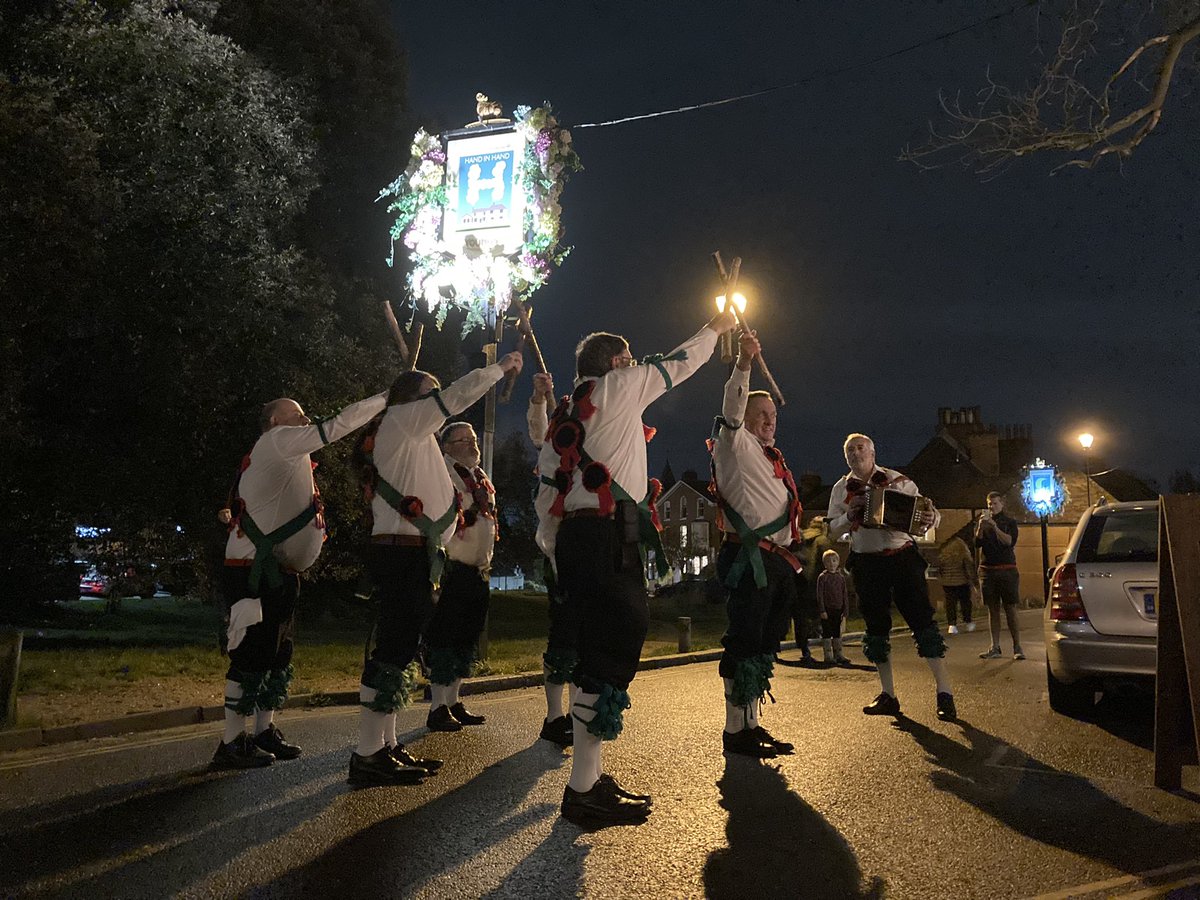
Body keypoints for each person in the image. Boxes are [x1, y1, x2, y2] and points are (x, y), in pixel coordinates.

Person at [545, 309, 736, 825]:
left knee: (594, 648)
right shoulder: (619, 385)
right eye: (628, 358)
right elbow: (679, 363)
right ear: (614, 362)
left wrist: (550, 543)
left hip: (578, 538)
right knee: (617, 641)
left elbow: (547, 486)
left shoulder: (565, 414)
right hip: (609, 535)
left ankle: (587, 776)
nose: (634, 363)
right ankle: (582, 791)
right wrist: (716, 328)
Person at [348, 353, 523, 786]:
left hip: (416, 553)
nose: (439, 399)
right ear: (411, 399)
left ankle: (385, 746)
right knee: (393, 648)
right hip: (400, 550)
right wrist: (497, 370)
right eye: (431, 392)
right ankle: (368, 753)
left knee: (402, 647)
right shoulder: (403, 419)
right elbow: (458, 396)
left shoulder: (413, 434)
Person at [213, 390, 388, 769]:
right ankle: (230, 741)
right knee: (249, 654)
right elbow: (336, 425)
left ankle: (262, 731)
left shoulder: (290, 454)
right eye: (297, 415)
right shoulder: (277, 442)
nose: (306, 421)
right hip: (251, 571)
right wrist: (384, 399)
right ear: (274, 422)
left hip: (277, 572)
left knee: (277, 655)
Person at [709, 330, 802, 758]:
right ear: (744, 419)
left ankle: (752, 724)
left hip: (778, 563)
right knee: (743, 640)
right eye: (760, 414)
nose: (769, 420)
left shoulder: (770, 456)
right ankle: (735, 731)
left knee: (764, 644)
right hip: (750, 560)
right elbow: (731, 407)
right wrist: (744, 363)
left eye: (772, 414)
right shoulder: (735, 444)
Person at [826, 433, 957, 721]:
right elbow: (831, 532)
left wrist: (932, 517)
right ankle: (888, 695)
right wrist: (848, 516)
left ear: (873, 453)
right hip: (866, 563)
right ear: (845, 457)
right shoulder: (840, 489)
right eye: (850, 449)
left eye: (860, 448)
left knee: (922, 619)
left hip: (902, 557)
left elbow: (928, 514)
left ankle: (944, 691)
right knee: (876, 627)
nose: (855, 452)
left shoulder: (899, 481)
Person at [423, 422, 495, 731]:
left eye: (474, 438)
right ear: (446, 447)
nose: (471, 444)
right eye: (463, 439)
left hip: (478, 570)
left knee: (467, 638)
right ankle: (438, 706)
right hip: (451, 569)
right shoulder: (443, 473)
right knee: (445, 637)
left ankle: (453, 701)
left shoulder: (480, 478)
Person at [527, 371, 577, 748]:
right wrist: (541, 400)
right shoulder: (562, 422)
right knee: (563, 631)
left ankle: (577, 716)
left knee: (586, 631)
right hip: (562, 538)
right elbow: (539, 436)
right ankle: (554, 716)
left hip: (591, 537)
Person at [976, 491, 1024, 660]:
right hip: (988, 571)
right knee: (992, 609)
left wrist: (994, 527)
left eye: (995, 503)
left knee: (1010, 608)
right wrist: (981, 528)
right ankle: (994, 647)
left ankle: (1017, 646)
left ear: (1002, 504)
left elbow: (1009, 541)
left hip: (1006, 570)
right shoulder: (983, 522)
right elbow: (976, 543)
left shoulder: (1009, 522)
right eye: (989, 504)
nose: (992, 507)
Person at [816, 549, 852, 665]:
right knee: (827, 632)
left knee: (837, 632)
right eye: (828, 562)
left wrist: (845, 610)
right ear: (824, 564)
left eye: (834, 561)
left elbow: (844, 594)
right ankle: (828, 655)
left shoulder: (840, 578)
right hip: (827, 609)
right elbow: (820, 595)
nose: (832, 564)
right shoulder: (823, 577)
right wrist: (822, 610)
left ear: (838, 562)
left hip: (838, 609)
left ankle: (839, 654)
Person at [939, 532, 978, 635]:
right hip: (962, 580)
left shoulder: (943, 547)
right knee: (965, 602)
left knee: (950, 603)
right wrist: (973, 580)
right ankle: (968, 621)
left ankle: (952, 625)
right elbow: (968, 565)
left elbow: (940, 566)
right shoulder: (961, 546)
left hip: (947, 581)